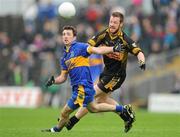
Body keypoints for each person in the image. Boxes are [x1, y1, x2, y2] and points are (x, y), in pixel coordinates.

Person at [42, 25, 134, 132]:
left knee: (65, 112)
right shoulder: (64, 58)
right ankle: (123, 109)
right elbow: (62, 77)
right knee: (94, 108)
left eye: (68, 34)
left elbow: (98, 50)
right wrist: (54, 81)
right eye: (63, 34)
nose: (65, 36)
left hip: (83, 88)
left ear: (74, 37)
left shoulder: (80, 47)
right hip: (78, 88)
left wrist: (113, 48)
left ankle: (56, 130)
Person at [66, 12, 146, 133]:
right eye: (111, 22)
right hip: (105, 72)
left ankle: (73, 120)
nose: (112, 24)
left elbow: (138, 52)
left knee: (90, 94)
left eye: (115, 22)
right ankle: (125, 114)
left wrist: (142, 61)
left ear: (121, 24)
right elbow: (89, 45)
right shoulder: (103, 34)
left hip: (117, 76)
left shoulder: (125, 40)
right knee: (101, 100)